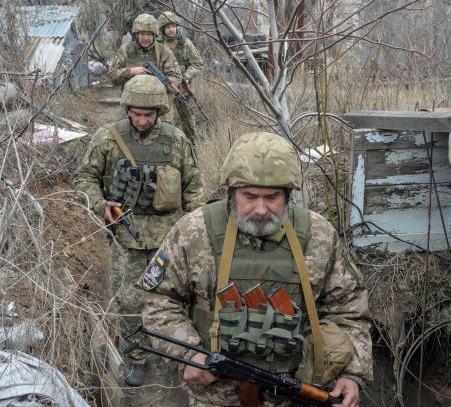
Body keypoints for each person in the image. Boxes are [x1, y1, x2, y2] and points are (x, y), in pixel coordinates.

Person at [140, 132, 373, 407]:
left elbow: (349, 309)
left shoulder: (318, 235)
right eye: (249, 196)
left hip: (300, 391)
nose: (260, 209)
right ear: (232, 192)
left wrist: (351, 372)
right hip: (216, 397)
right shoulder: (195, 232)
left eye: (272, 197)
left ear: (288, 194)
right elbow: (158, 298)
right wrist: (187, 353)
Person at [74, 75, 204, 388]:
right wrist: (98, 203)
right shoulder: (108, 138)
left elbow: (194, 189)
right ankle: (136, 355)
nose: (143, 120)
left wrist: (196, 232)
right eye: (137, 113)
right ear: (128, 109)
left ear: (160, 112)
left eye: (149, 114)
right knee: (129, 302)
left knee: (176, 300)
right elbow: (84, 178)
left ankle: (180, 356)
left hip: (170, 238)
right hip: (125, 235)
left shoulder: (175, 140)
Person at [108, 13, 181, 121]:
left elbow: (176, 77)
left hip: (159, 109)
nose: (146, 38)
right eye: (142, 34)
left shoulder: (164, 51)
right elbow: (112, 75)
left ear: (154, 35)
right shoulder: (125, 50)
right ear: (136, 34)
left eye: (149, 34)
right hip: (132, 108)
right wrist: (131, 71)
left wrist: (155, 82)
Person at [157, 11, 204, 140]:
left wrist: (187, 76)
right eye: (167, 27)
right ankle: (167, 145)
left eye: (173, 26)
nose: (171, 29)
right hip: (165, 90)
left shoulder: (185, 43)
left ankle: (191, 144)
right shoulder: (157, 45)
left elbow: (198, 64)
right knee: (166, 121)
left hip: (183, 88)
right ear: (162, 28)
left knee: (188, 120)